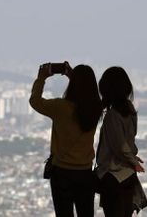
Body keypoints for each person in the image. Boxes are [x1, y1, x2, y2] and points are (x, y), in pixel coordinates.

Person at [29, 62, 102, 217]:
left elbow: (35, 101)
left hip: (61, 173)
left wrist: (41, 78)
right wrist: (72, 75)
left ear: (73, 83)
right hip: (85, 173)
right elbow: (85, 92)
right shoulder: (96, 108)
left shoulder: (60, 107)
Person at [96, 66, 147, 217]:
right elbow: (129, 139)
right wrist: (132, 159)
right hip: (128, 175)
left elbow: (120, 145)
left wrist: (133, 160)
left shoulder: (112, 115)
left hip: (113, 177)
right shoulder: (130, 109)